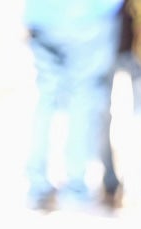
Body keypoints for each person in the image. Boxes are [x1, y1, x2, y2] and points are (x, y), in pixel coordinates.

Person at [24, 0, 124, 211]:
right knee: (84, 97)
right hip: (87, 16)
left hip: (43, 15)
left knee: (46, 95)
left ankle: (37, 183)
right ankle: (76, 186)